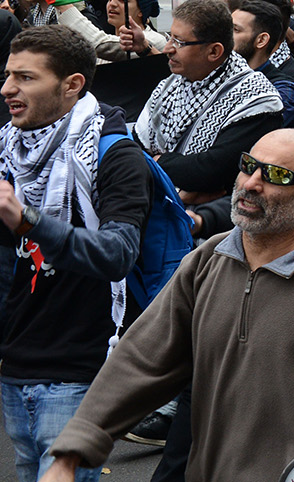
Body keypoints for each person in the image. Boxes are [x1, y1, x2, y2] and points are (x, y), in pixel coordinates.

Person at [39, 129, 294, 482]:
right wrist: (72, 451)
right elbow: (141, 360)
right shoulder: (207, 260)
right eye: (248, 166)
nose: (252, 183)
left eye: (276, 175)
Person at [0, 27, 154, 482]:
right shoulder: (9, 149)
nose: (7, 88)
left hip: (77, 369)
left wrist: (29, 220)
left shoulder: (116, 154)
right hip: (16, 362)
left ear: (72, 85)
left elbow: (117, 254)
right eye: (9, 75)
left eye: (25, 78)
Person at [135, 0, 283, 201]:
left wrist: (158, 162)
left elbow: (211, 170)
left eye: (179, 42)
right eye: (170, 37)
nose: (168, 48)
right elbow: (135, 149)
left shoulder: (256, 99)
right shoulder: (170, 84)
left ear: (214, 51)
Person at [232, 0, 294, 129]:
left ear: (261, 40)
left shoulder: (282, 91)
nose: (225, 35)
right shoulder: (226, 76)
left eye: (235, 30)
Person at [58, 0, 166, 62]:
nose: (112, 4)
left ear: (141, 11)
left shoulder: (155, 39)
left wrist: (62, 2)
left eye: (123, 0)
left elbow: (101, 45)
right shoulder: (110, 36)